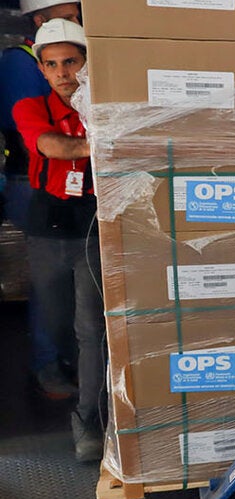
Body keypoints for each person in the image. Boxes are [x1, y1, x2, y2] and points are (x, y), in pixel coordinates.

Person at [13, 18, 103, 462]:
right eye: (53, 65)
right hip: (47, 224)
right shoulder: (30, 108)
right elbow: (50, 146)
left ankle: (88, 420)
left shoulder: (104, 107)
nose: (65, 73)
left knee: (91, 328)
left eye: (72, 61)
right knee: (56, 323)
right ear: (42, 71)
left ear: (87, 63)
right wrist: (103, 143)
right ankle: (64, 370)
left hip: (92, 223)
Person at [3, 0, 82, 400]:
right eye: (67, 16)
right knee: (51, 295)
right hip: (40, 196)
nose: (62, 73)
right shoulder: (21, 70)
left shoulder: (92, 103)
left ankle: (84, 371)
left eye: (70, 62)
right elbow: (44, 139)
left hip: (87, 206)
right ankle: (50, 365)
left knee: (86, 305)